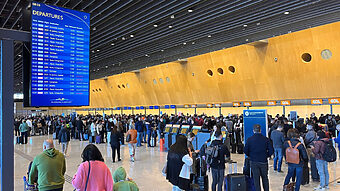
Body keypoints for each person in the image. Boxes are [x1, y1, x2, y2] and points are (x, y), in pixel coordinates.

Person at [244, 124, 274, 191]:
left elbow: (245, 150)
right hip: (263, 161)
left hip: (254, 161)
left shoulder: (249, 139)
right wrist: (266, 156)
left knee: (256, 179)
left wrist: (250, 155)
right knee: (265, 178)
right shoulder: (266, 139)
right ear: (260, 130)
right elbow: (271, 151)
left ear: (253, 130)